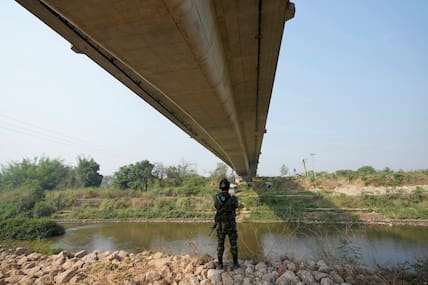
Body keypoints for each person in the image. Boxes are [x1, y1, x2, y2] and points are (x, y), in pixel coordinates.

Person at [214, 178, 239, 269]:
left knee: (220, 244)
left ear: (220, 187)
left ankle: (220, 264)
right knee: (233, 244)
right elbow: (236, 206)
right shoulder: (233, 199)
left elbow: (216, 206)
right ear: (229, 188)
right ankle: (235, 264)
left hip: (221, 226)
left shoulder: (216, 197)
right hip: (231, 226)